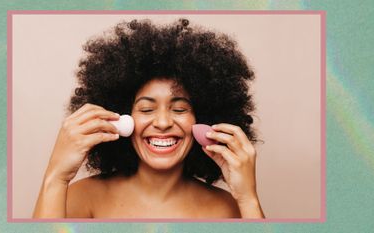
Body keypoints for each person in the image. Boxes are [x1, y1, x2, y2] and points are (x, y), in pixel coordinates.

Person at [33, 18, 264, 218]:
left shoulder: (227, 210)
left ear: (202, 120)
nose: (163, 123)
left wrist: (248, 199)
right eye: (146, 109)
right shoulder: (83, 198)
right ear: (120, 117)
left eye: (180, 109)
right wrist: (56, 176)